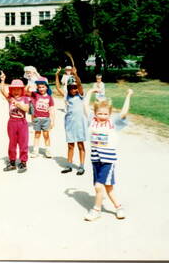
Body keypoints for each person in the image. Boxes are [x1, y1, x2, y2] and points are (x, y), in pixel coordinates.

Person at [84, 89, 134, 221]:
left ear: (110, 114)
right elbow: (85, 105)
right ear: (95, 113)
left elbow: (123, 113)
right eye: (99, 113)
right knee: (108, 187)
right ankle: (119, 207)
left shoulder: (112, 123)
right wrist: (90, 92)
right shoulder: (92, 121)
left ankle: (96, 210)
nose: (102, 116)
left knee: (98, 186)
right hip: (96, 160)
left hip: (108, 160)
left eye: (105, 114)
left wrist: (128, 95)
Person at [55, 66, 88, 175]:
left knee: (80, 145)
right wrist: (56, 75)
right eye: (71, 88)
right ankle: (69, 165)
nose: (74, 89)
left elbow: (79, 84)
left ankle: (81, 166)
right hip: (69, 123)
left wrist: (75, 74)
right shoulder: (66, 96)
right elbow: (58, 87)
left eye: (75, 88)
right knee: (70, 145)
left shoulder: (80, 95)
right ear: (68, 88)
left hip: (79, 124)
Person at [0, 72, 30, 173]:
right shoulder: (10, 98)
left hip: (22, 123)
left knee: (23, 143)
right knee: (12, 143)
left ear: (22, 90)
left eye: (18, 89)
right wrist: (3, 80)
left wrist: (18, 104)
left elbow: (26, 109)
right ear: (11, 90)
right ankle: (12, 162)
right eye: (14, 89)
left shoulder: (25, 98)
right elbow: (2, 91)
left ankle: (23, 162)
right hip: (12, 122)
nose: (16, 91)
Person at [26, 77, 55, 158]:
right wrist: (29, 84)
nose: (41, 89)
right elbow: (25, 92)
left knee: (46, 135)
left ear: (46, 87)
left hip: (46, 119)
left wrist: (52, 121)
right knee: (37, 135)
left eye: (43, 87)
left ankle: (48, 151)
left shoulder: (49, 97)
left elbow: (52, 110)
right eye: (39, 87)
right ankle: (35, 151)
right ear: (37, 88)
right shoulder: (35, 95)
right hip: (37, 118)